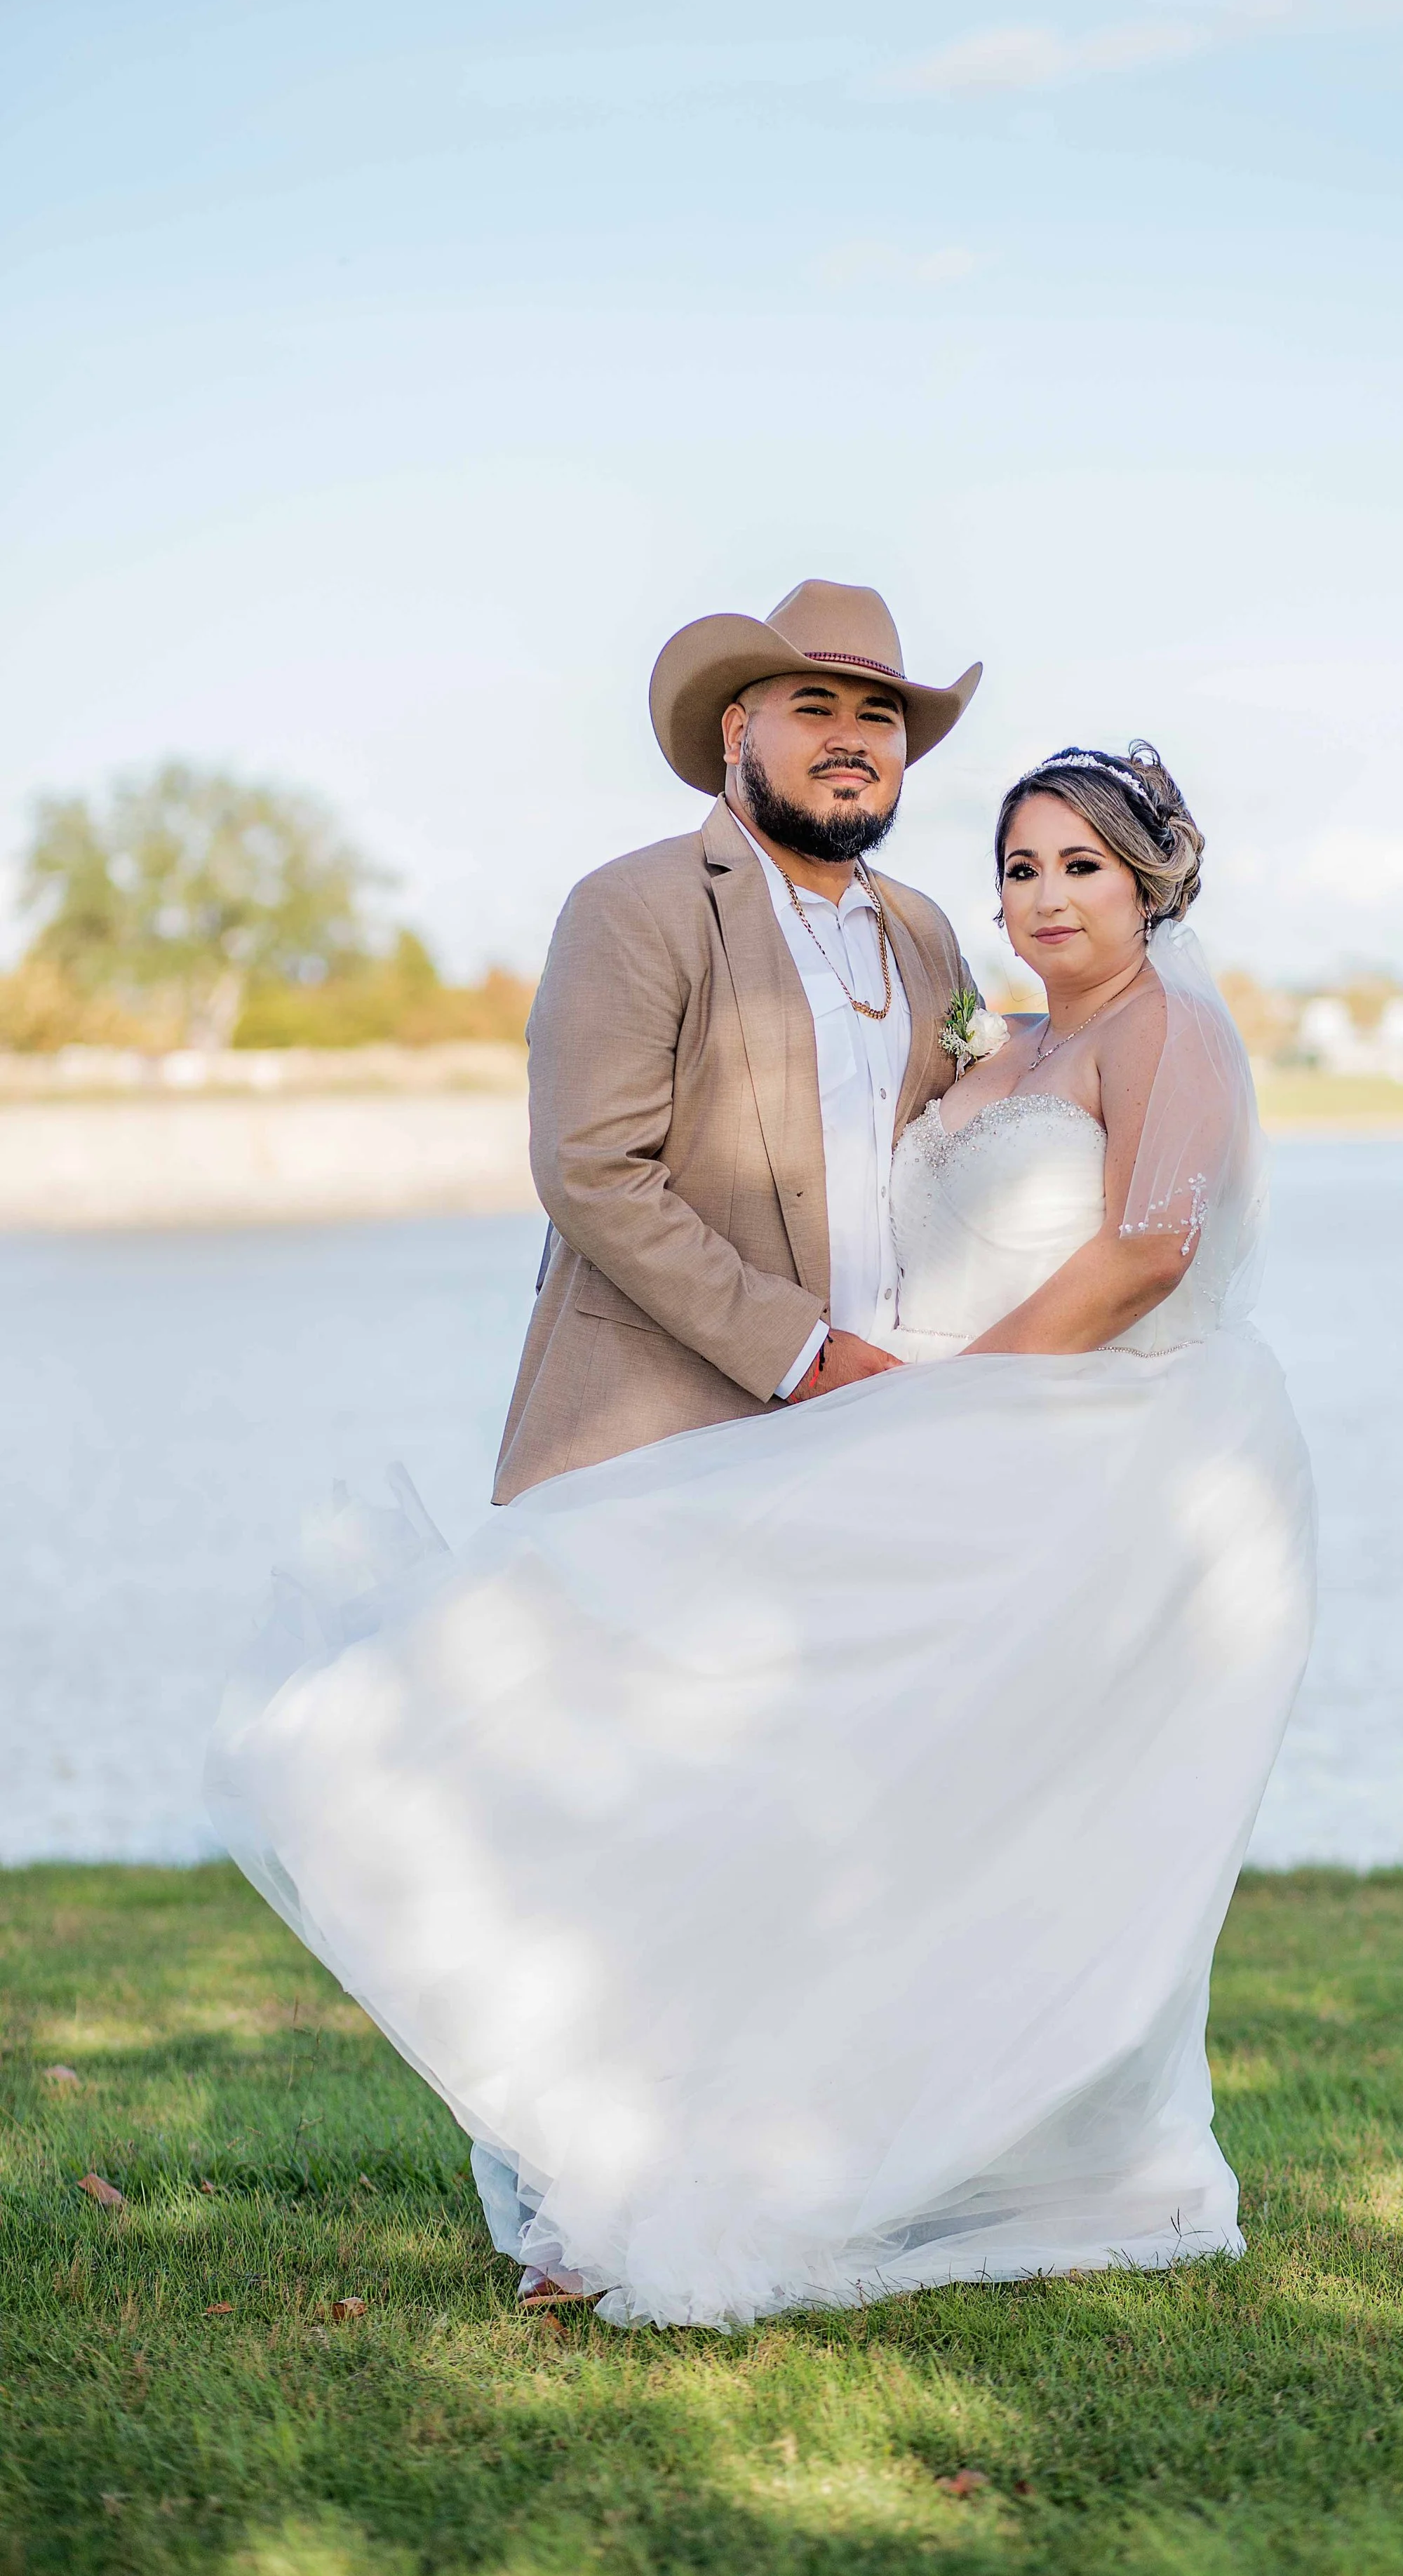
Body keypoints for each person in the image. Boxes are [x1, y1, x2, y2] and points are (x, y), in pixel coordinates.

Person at [206, 732, 1316, 2333]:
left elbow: (1143, 1253)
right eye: (1019, 864)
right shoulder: (985, 1046)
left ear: (1152, 884)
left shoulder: (1168, 1034)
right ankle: (627, 2120)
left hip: (1055, 1466)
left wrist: (939, 1409)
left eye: (1083, 864)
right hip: (928, 1443)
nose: (1046, 894)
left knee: (897, 1801)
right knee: (711, 1738)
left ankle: (857, 2142)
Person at [492, 577, 982, 1501]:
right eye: (815, 707)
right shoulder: (635, 906)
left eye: (879, 717)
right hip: (667, 1453)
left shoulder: (926, 930)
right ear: (735, 732)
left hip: (894, 1442)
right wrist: (801, 1352)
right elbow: (593, 1169)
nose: (851, 738)